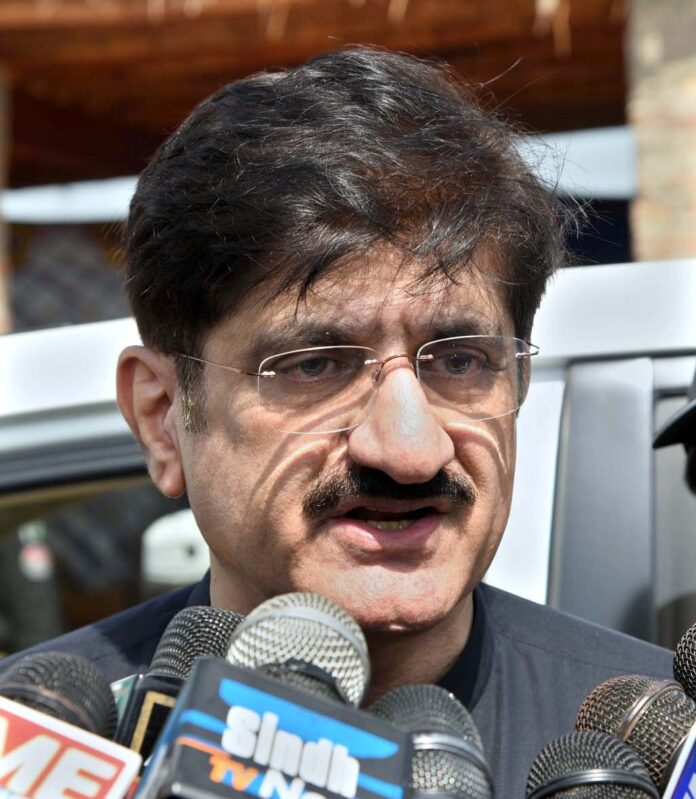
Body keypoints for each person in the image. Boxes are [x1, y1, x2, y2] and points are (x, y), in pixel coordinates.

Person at [1, 48, 672, 795]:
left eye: (460, 361)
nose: (410, 449)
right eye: (314, 366)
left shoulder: (660, 756)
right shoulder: (33, 754)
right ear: (163, 419)